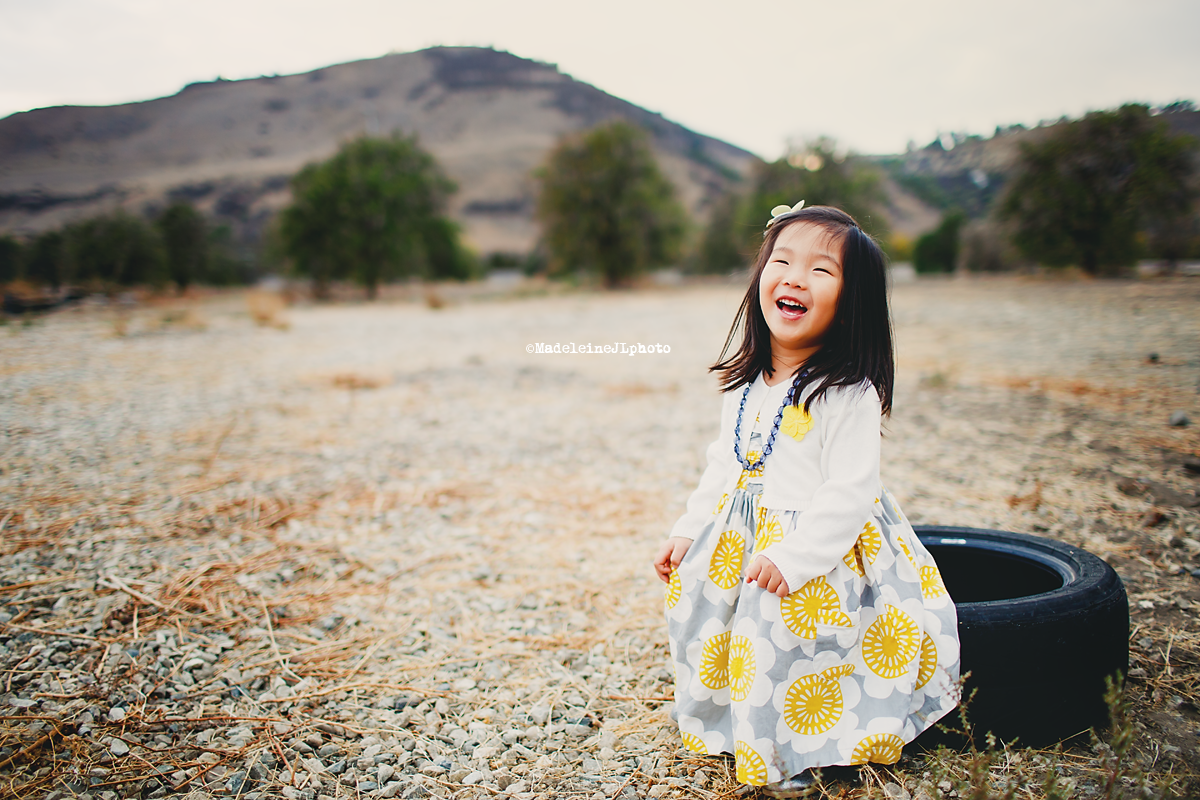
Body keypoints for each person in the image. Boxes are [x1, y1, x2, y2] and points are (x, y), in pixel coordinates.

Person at [653, 203, 960, 796]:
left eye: (822, 271)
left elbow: (851, 491)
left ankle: (804, 743)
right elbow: (724, 466)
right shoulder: (745, 382)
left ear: (852, 303)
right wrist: (689, 530)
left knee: (785, 638)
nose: (794, 277)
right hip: (742, 538)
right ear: (760, 278)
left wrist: (796, 558)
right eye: (782, 261)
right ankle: (734, 723)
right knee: (710, 614)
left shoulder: (847, 392)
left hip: (821, 550)